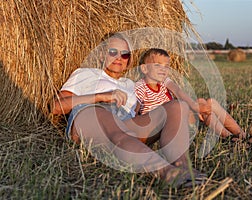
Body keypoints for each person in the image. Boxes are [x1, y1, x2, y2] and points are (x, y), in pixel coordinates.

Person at [52, 33, 205, 188]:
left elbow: (142, 117)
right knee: (116, 126)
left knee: (178, 106)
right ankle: (165, 172)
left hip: (124, 124)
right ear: (100, 54)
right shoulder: (86, 74)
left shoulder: (130, 84)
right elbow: (56, 106)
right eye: (113, 52)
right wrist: (101, 97)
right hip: (92, 115)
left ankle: (184, 167)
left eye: (125, 54)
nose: (119, 57)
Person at [135, 48, 247, 141]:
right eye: (157, 65)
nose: (163, 69)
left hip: (177, 118)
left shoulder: (165, 81)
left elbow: (178, 92)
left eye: (166, 66)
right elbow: (134, 112)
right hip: (162, 126)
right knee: (202, 109)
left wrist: (195, 106)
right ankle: (228, 137)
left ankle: (240, 134)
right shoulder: (140, 87)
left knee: (207, 103)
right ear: (144, 68)